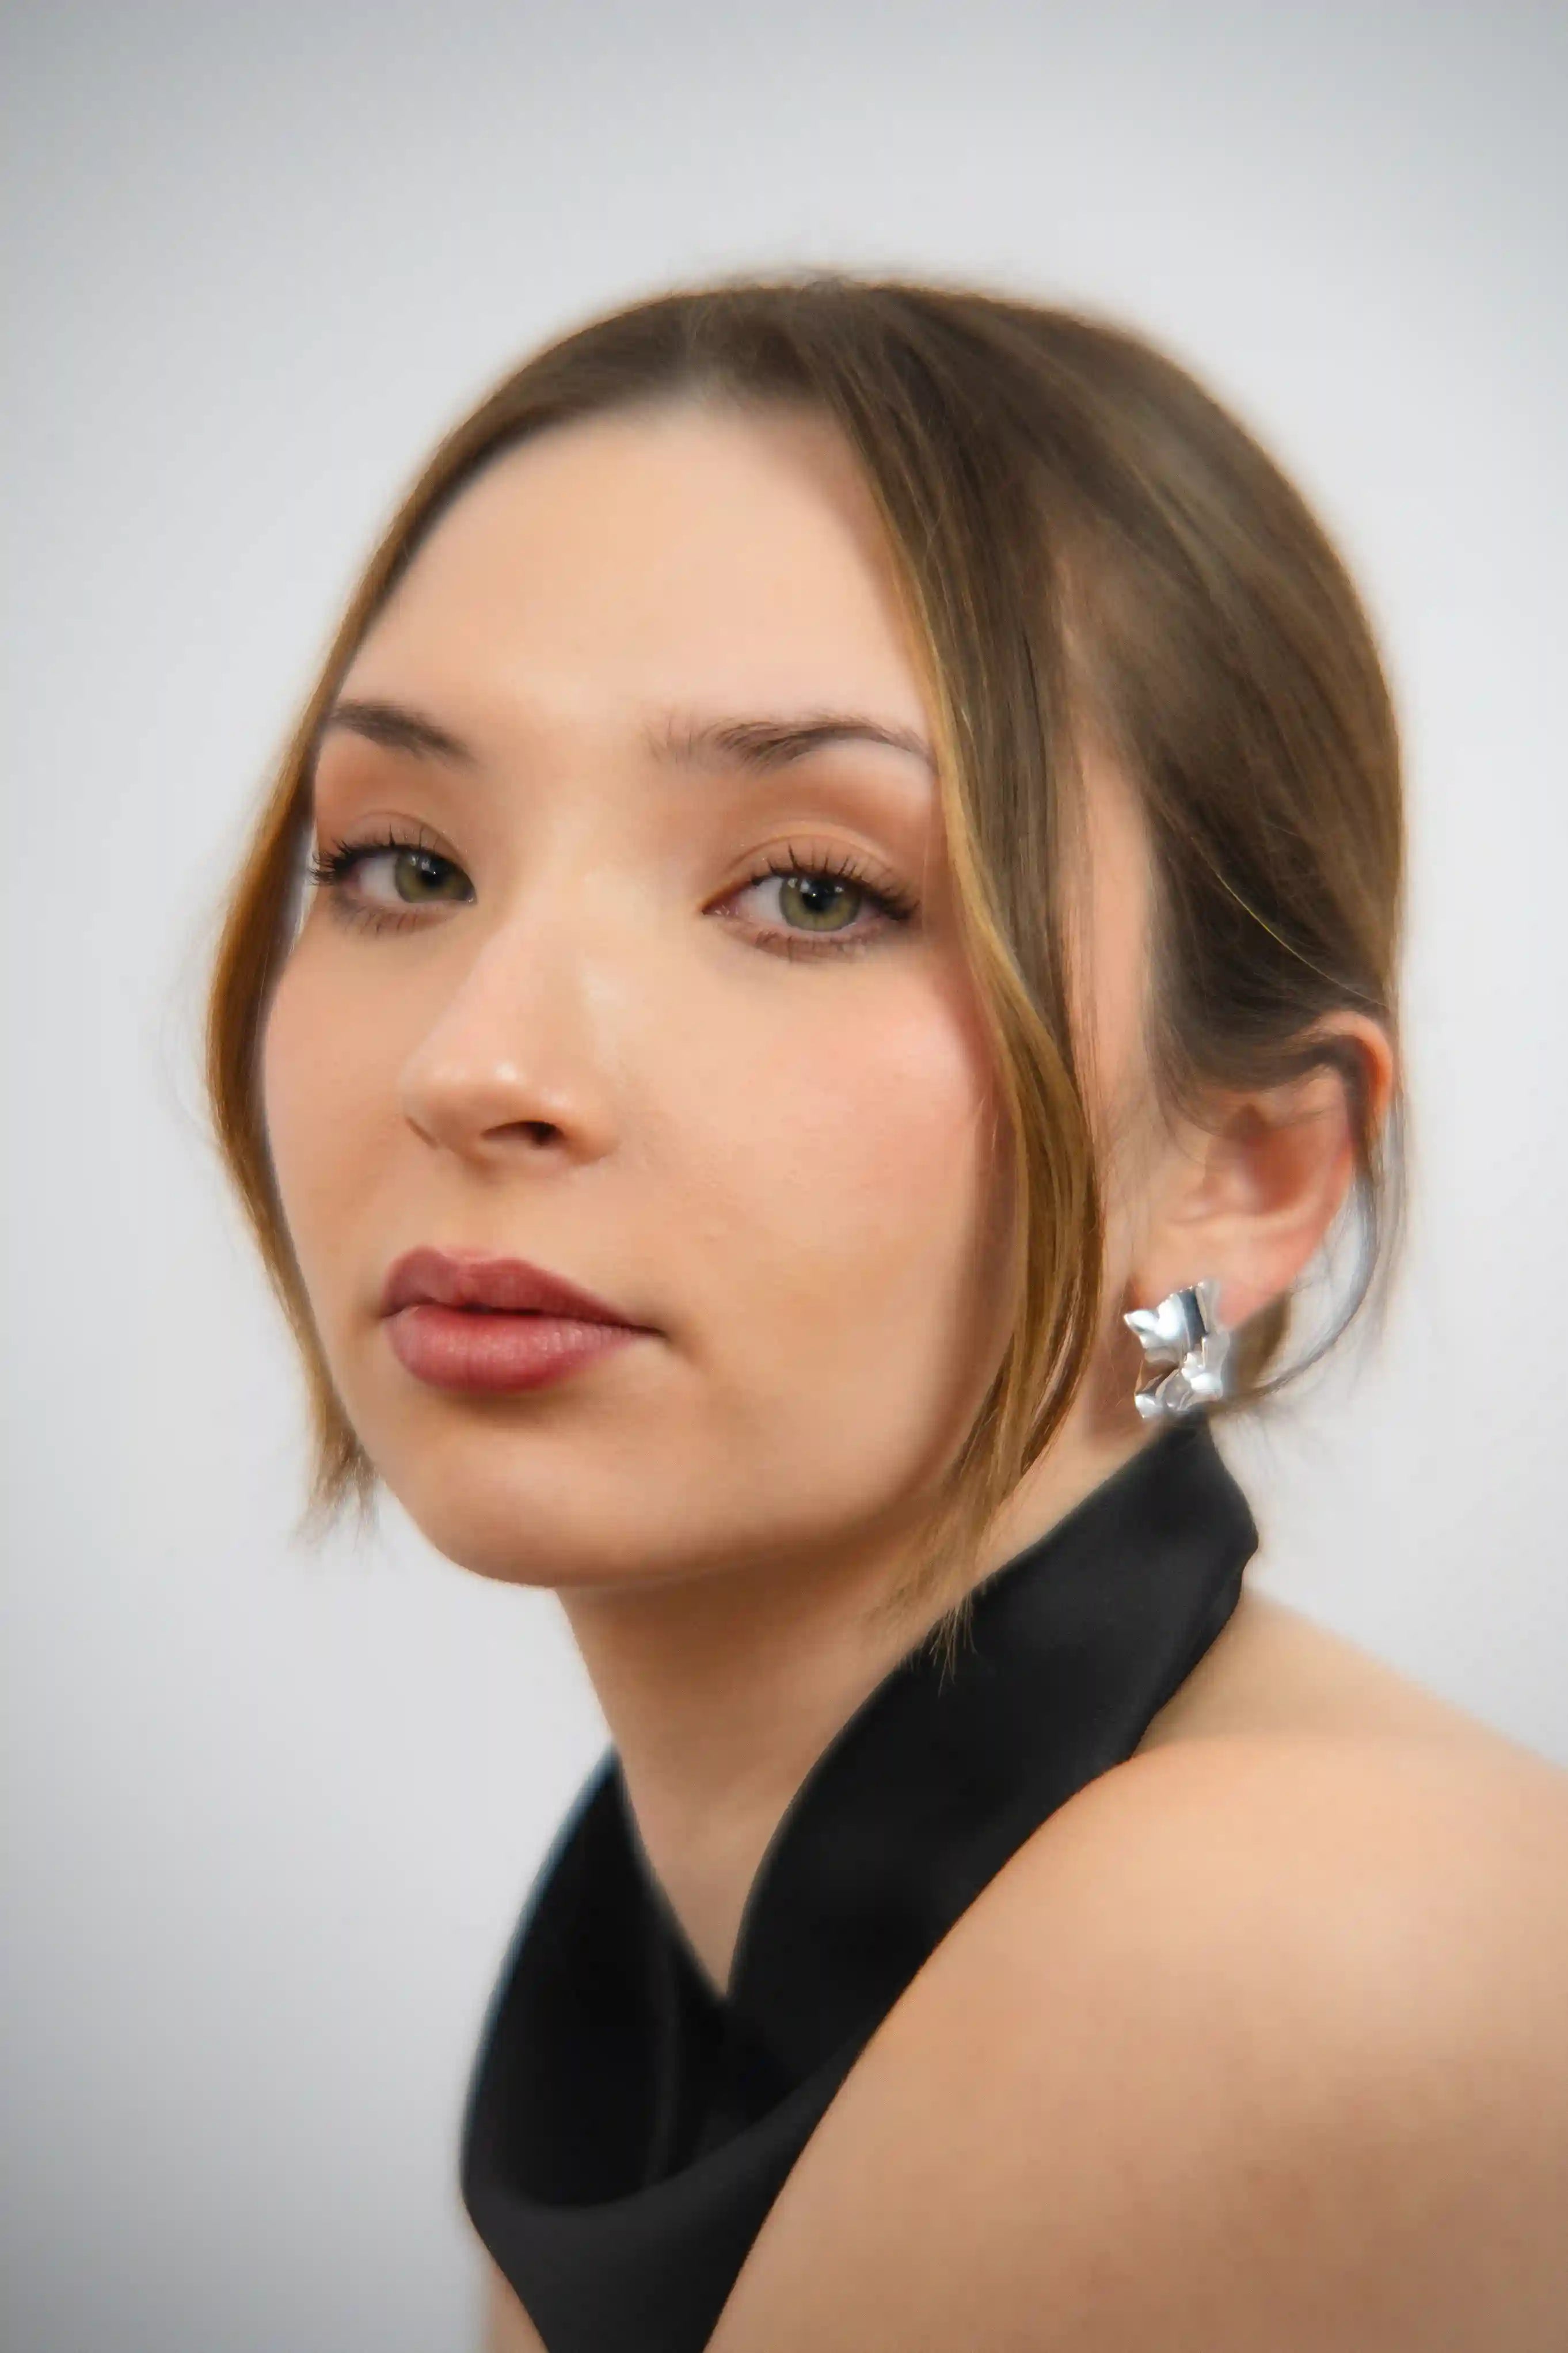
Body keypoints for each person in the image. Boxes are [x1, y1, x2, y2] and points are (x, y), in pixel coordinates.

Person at [204, 274, 1568, 2351]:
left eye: (812, 892)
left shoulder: (1284, 1949)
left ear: (1247, 1173)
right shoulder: (672, 1966)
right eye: (399, 862)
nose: (477, 1064)